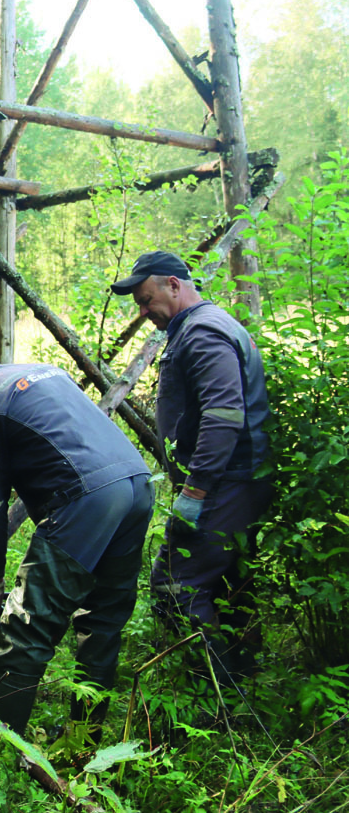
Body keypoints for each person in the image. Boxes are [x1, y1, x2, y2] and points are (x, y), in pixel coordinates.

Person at [0, 339, 153, 738]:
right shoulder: (42, 370)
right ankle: (82, 743)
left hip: (88, 500)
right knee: (102, 622)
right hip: (136, 483)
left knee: (24, 629)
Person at [111, 250, 273, 678]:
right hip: (233, 480)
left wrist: (196, 491)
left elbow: (223, 414)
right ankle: (245, 679)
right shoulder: (200, 326)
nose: (144, 313)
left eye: (147, 300)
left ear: (174, 285)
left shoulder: (201, 332)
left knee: (174, 587)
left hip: (225, 484)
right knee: (228, 584)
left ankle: (214, 695)